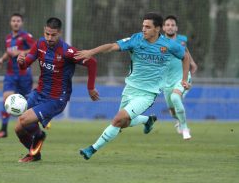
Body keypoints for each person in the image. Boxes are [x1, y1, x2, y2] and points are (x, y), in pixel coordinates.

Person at [75, 12, 190, 160]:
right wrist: (91, 52)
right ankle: (147, 120)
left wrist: (184, 79)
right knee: (123, 123)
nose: (144, 29)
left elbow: (185, 57)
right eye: (143, 26)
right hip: (130, 89)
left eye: (148, 27)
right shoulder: (136, 39)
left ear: (157, 29)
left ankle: (91, 149)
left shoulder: (168, 45)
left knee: (117, 119)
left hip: (147, 94)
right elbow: (111, 46)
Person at [15, 17, 99, 162]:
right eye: (47, 34)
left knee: (24, 120)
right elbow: (26, 64)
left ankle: (37, 140)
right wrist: (21, 62)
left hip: (56, 98)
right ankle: (35, 152)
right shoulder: (40, 43)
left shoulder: (68, 51)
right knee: (18, 128)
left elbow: (92, 62)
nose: (49, 38)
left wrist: (90, 88)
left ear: (59, 33)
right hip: (39, 92)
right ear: (44, 30)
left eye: (53, 35)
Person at [0, 13, 35, 139]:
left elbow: (35, 49)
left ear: (21, 23)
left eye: (18, 20)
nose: (16, 23)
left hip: (24, 74)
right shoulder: (8, 38)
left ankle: (37, 121)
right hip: (10, 73)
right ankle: (3, 129)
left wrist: (20, 52)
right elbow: (8, 52)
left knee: (28, 103)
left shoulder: (26, 36)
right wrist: (1, 59)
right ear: (10, 23)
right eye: (13, 20)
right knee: (6, 97)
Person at [162, 15, 198, 140]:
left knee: (176, 97)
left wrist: (192, 63)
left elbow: (185, 52)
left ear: (176, 28)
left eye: (172, 25)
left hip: (182, 76)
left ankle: (185, 128)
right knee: (172, 112)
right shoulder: (159, 41)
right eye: (167, 25)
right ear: (163, 28)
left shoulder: (182, 40)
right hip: (167, 81)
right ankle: (178, 121)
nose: (170, 27)